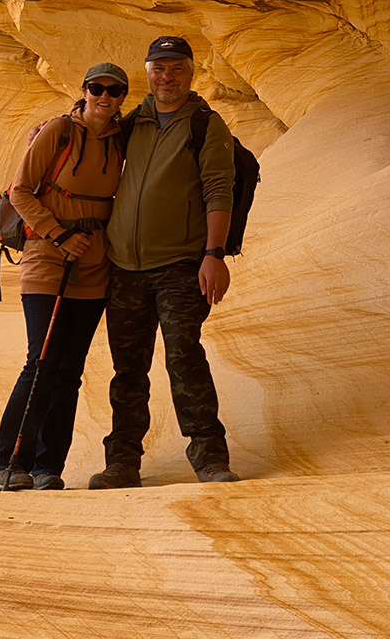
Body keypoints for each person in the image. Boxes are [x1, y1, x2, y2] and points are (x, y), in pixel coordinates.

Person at [88, 35, 239, 488]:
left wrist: (214, 255)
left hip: (180, 265)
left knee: (184, 357)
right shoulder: (134, 121)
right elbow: (89, 137)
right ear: (148, 73)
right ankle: (122, 462)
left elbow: (218, 188)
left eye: (175, 68)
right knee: (127, 369)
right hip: (124, 269)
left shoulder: (205, 125)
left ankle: (210, 456)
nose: (166, 76)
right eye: (158, 68)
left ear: (191, 72)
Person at [0, 62, 128, 491]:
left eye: (114, 91)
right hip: (47, 258)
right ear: (84, 91)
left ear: (123, 97)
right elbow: (20, 191)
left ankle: (49, 467)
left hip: (94, 262)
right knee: (41, 362)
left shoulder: (123, 139)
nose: (104, 96)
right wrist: (59, 234)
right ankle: (8, 464)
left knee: (70, 371)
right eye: (96, 88)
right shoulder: (59, 132)